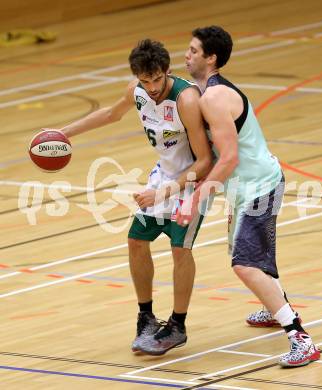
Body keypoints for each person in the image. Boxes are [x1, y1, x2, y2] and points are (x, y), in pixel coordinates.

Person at [58, 39, 213, 355]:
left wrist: (164, 192)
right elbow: (110, 114)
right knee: (136, 241)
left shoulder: (185, 98)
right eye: (146, 81)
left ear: (166, 71)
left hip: (194, 182)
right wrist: (63, 133)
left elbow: (204, 161)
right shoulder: (138, 91)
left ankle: (178, 325)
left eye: (157, 79)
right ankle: (146, 317)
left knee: (179, 248)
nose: (153, 87)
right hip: (163, 176)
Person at [178, 26, 320, 367]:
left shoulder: (214, 98)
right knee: (249, 257)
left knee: (244, 264)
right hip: (246, 188)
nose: (187, 54)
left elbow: (228, 158)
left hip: (259, 187)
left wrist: (196, 198)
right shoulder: (203, 92)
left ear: (211, 58)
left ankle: (300, 336)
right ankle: (276, 308)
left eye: (194, 51)